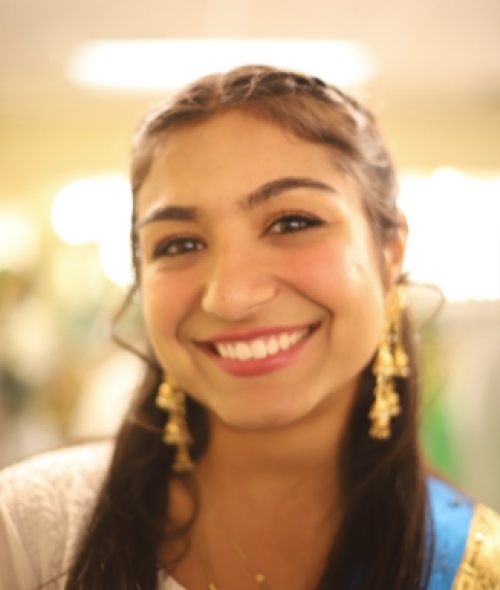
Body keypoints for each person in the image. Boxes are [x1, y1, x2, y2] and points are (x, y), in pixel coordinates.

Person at [0, 65, 499, 590]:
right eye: (180, 244)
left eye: (292, 223)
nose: (231, 297)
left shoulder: (472, 566)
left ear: (390, 251)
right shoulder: (27, 532)